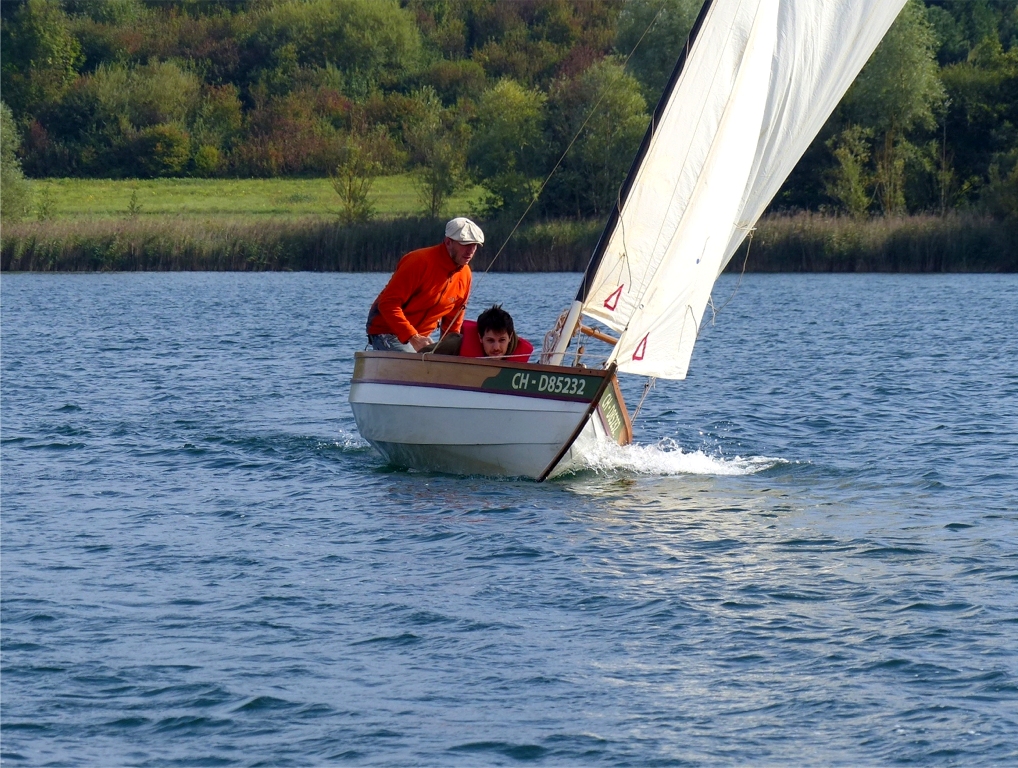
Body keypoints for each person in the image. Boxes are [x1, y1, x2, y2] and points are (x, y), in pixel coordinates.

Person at [366, 217, 484, 352]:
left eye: (475, 245)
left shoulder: (466, 274)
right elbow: (387, 304)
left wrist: (450, 350)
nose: (471, 250)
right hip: (386, 331)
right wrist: (413, 337)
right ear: (448, 242)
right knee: (415, 366)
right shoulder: (419, 261)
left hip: (421, 338)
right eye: (465, 244)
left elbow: (453, 323)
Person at [459, 304, 534, 362]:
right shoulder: (456, 345)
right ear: (480, 338)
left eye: (502, 340)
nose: (496, 348)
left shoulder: (521, 355)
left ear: (510, 337)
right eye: (490, 340)